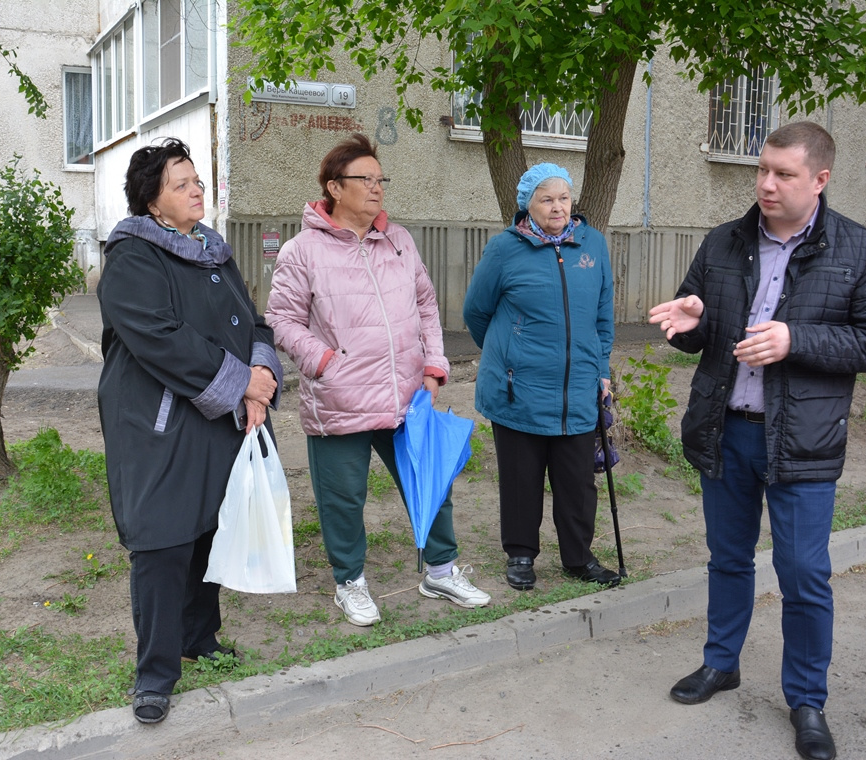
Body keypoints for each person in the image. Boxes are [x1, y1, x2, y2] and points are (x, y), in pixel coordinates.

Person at [648, 121, 866, 760]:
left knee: (804, 574)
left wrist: (797, 339)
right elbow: (699, 326)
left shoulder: (857, 249)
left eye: (783, 174)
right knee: (727, 557)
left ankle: (807, 701)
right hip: (725, 431)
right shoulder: (725, 242)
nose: (765, 183)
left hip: (803, 444)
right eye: (762, 169)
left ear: (819, 180)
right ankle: (721, 662)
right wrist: (687, 323)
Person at [266, 132, 490, 627]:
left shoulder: (400, 241)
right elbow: (282, 320)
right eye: (363, 179)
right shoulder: (302, 250)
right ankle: (350, 582)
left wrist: (434, 366)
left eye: (379, 178)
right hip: (340, 399)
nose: (376, 187)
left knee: (429, 483)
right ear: (334, 188)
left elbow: (427, 305)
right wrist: (325, 362)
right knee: (343, 499)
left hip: (406, 395)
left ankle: (441, 571)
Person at [98, 137, 282, 724]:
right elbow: (158, 337)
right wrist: (241, 383)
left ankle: (199, 638)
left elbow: (252, 320)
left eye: (196, 180)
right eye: (180, 184)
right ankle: (154, 674)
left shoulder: (213, 250)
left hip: (220, 420)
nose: (196, 189)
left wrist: (262, 373)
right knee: (162, 543)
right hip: (162, 424)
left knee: (209, 530)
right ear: (152, 201)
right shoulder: (133, 256)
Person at [462, 163, 618, 592]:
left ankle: (579, 559)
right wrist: (509, 351)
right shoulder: (506, 249)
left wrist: (601, 371)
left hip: (577, 388)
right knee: (521, 479)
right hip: (519, 389)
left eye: (563, 198)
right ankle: (521, 556)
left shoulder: (593, 246)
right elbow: (476, 312)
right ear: (527, 204)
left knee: (578, 484)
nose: (557, 207)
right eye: (546, 199)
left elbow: (604, 316)